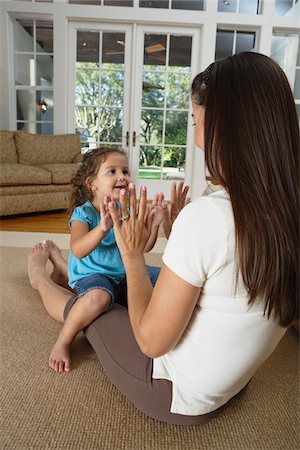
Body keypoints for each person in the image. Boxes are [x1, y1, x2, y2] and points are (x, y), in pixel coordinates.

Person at [28, 52, 299, 425]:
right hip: (232, 382)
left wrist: (134, 258)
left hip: (173, 393)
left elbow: (152, 342)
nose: (196, 134)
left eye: (195, 121)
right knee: (110, 290)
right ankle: (63, 270)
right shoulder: (286, 209)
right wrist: (176, 236)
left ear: (221, 126)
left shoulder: (208, 217)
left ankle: (40, 278)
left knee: (94, 307)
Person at [46, 147, 169, 373]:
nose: (121, 176)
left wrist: (154, 225)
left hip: (125, 273)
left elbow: (142, 248)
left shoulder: (127, 209)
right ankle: (64, 340)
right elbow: (78, 248)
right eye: (112, 171)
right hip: (93, 276)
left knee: (167, 279)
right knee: (99, 299)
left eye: (125, 171)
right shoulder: (84, 214)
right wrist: (102, 228)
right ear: (92, 183)